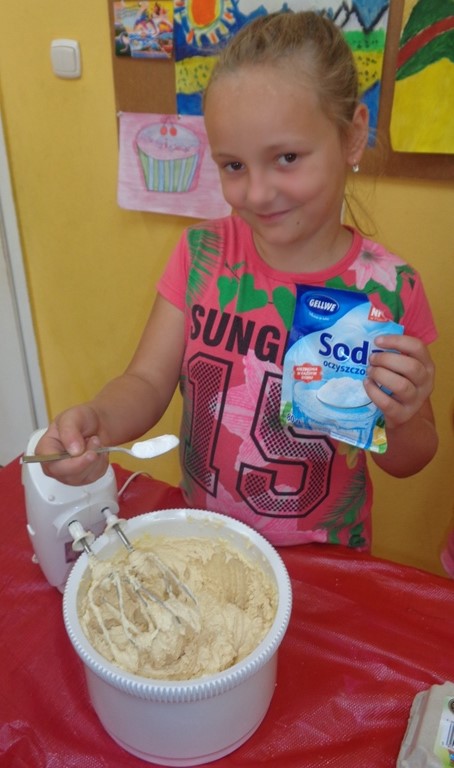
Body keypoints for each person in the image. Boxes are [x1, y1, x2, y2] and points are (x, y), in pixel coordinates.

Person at [36, 11, 437, 550]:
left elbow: (411, 460)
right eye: (233, 166)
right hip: (207, 544)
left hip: (326, 561)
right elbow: (147, 382)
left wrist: (403, 416)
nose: (257, 193)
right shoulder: (201, 254)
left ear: (352, 136)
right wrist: (98, 423)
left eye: (287, 158)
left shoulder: (391, 288)